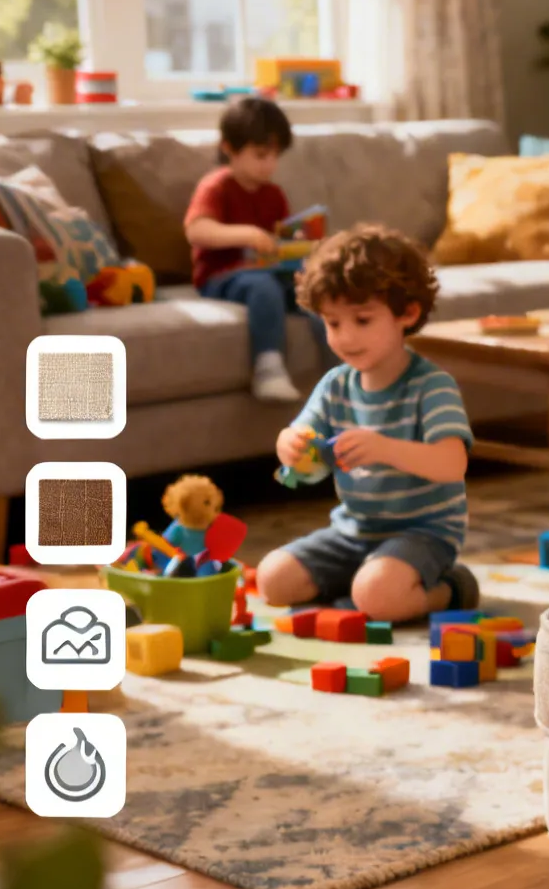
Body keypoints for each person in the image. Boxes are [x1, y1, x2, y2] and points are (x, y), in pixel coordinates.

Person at [255, 224, 479, 622]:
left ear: (407, 313)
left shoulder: (431, 386)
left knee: (378, 597)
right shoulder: (335, 385)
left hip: (424, 535)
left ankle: (451, 588)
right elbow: (306, 451)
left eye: (362, 320)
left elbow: (452, 463)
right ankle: (368, 583)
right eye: (333, 323)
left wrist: (385, 449)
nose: (345, 338)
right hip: (352, 532)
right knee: (272, 580)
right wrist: (290, 445)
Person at [185, 96, 322, 402]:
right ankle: (269, 370)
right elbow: (196, 230)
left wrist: (298, 247)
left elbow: (280, 241)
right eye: (261, 155)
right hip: (221, 276)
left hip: (269, 271)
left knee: (318, 286)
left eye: (275, 156)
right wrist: (247, 234)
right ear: (229, 149)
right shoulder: (216, 186)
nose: (269, 164)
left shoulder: (274, 194)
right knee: (264, 288)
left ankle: (344, 372)